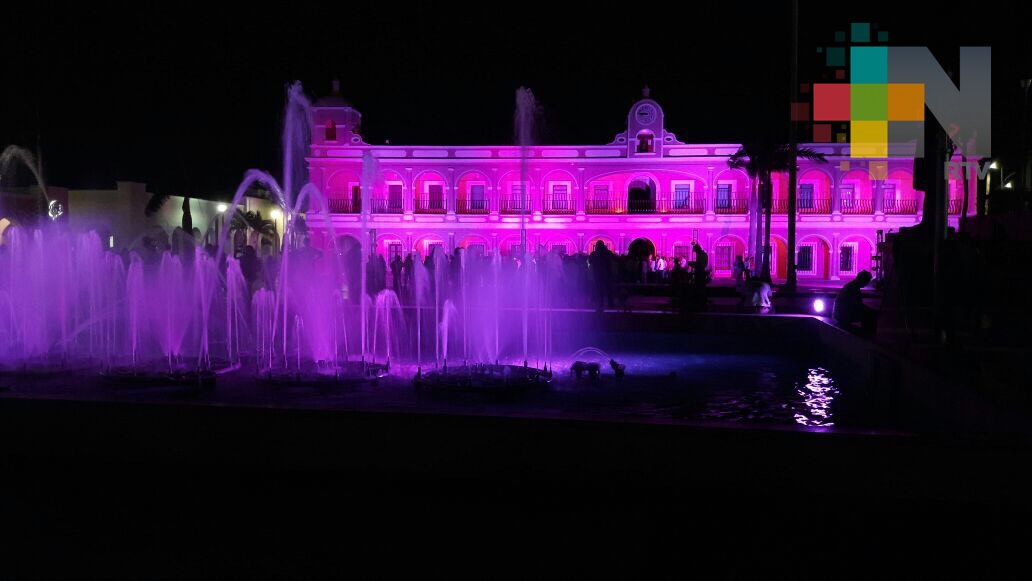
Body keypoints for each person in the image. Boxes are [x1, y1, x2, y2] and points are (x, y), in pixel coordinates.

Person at [833, 270, 877, 336]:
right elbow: (857, 305)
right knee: (870, 316)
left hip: (840, 313)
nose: (867, 284)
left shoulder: (852, 286)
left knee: (868, 314)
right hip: (843, 315)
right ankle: (868, 336)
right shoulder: (853, 288)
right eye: (867, 282)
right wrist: (872, 311)